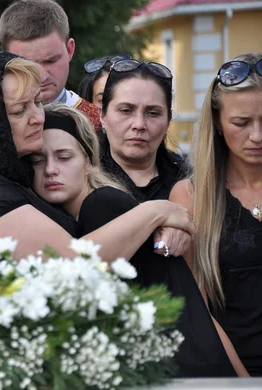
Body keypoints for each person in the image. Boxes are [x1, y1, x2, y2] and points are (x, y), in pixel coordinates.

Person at [31, 103, 242, 377]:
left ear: (88, 162)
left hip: (180, 371)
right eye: (37, 160)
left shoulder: (102, 204)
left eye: (64, 157)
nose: (50, 170)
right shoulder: (107, 207)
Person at [0, 52, 195, 265]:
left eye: (36, 102)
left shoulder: (11, 175)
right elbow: (72, 266)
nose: (37, 117)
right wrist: (155, 211)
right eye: (19, 110)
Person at [171, 53, 262, 376]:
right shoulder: (193, 196)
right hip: (233, 372)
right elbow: (198, 309)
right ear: (219, 123)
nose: (257, 136)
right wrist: (244, 381)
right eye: (242, 122)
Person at [0, 0, 101, 129]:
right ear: (5, 60)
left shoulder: (101, 127)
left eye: (51, 61)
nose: (42, 77)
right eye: (27, 66)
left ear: (70, 50)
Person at [99, 59, 189, 202]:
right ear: (103, 115)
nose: (139, 124)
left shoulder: (191, 184)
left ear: (168, 121)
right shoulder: (80, 179)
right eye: (126, 110)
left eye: (153, 113)